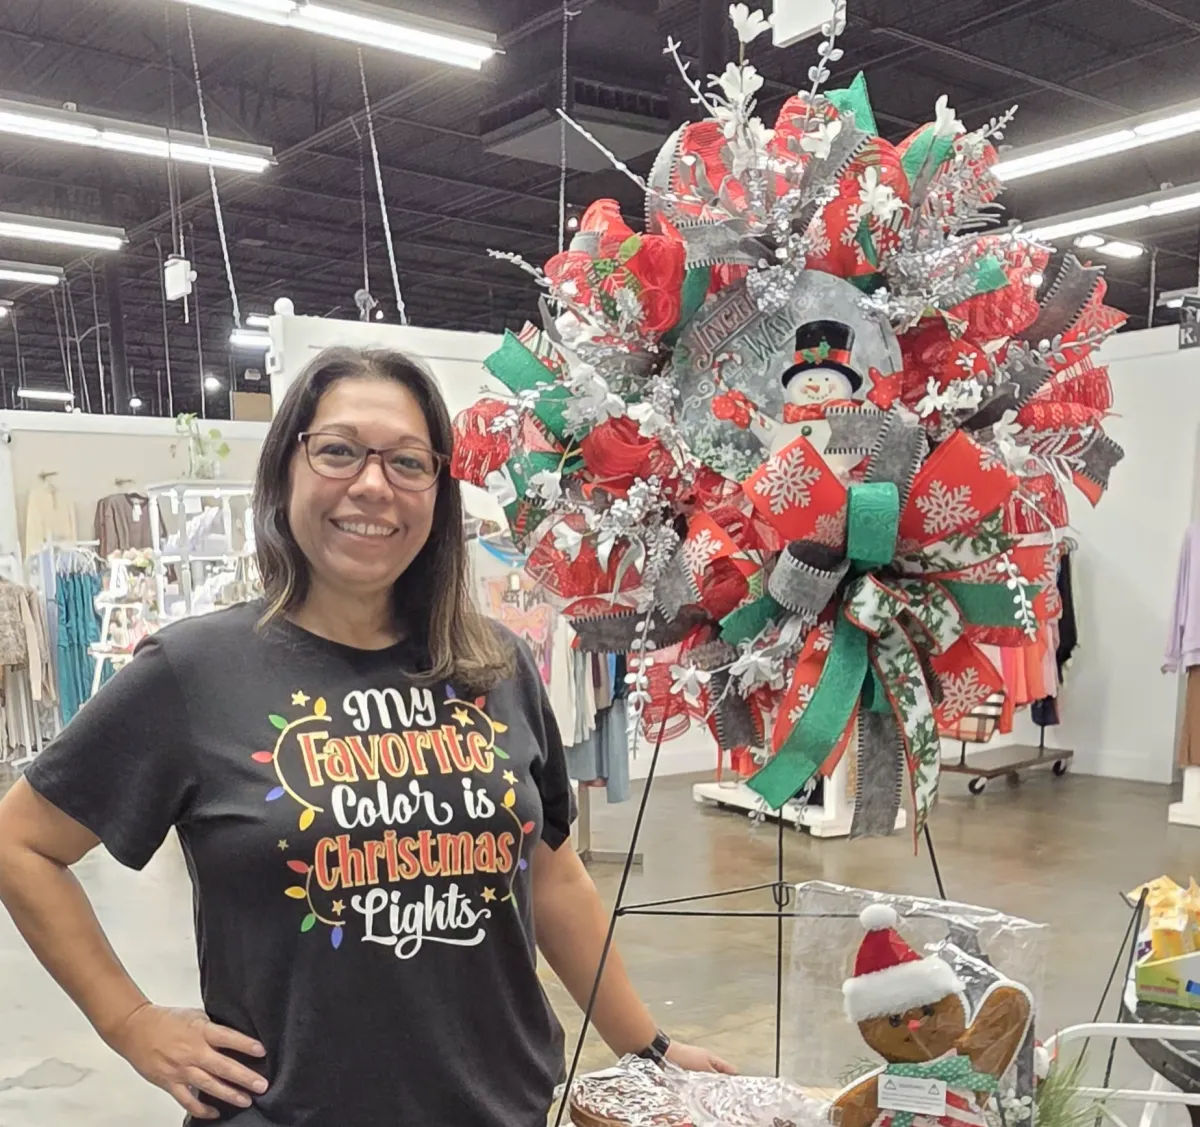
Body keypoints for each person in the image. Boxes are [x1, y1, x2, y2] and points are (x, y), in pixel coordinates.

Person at [0, 348, 733, 1125]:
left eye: (408, 461)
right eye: (339, 450)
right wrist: (130, 1021)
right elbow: (22, 842)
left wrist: (646, 1045)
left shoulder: (496, 663)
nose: (373, 485)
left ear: (438, 491)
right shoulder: (193, 670)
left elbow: (552, 878)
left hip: (499, 1108)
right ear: (287, 468)